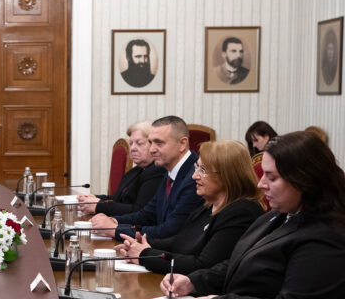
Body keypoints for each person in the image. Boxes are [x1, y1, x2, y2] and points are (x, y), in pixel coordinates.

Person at [161, 132, 345, 299]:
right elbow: (239, 262)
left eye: (271, 177)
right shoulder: (278, 216)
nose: (261, 183)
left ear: (305, 180)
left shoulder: (326, 238)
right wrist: (194, 281)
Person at [117, 140, 264, 275]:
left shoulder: (242, 212)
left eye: (203, 170)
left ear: (227, 176)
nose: (194, 176)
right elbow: (180, 241)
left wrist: (144, 254)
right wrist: (140, 244)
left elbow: (202, 265)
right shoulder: (209, 205)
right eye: (196, 167)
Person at [90, 116, 204, 241]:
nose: (152, 149)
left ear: (182, 143)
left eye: (159, 143)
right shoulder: (170, 170)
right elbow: (147, 214)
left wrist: (115, 230)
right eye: (150, 142)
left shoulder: (195, 177)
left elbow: (169, 231)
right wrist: (113, 220)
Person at [77, 120, 165, 215]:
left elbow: (139, 211)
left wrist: (98, 205)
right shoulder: (135, 171)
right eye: (131, 143)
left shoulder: (157, 172)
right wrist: (93, 198)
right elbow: (117, 199)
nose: (132, 148)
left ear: (153, 145)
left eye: (139, 143)